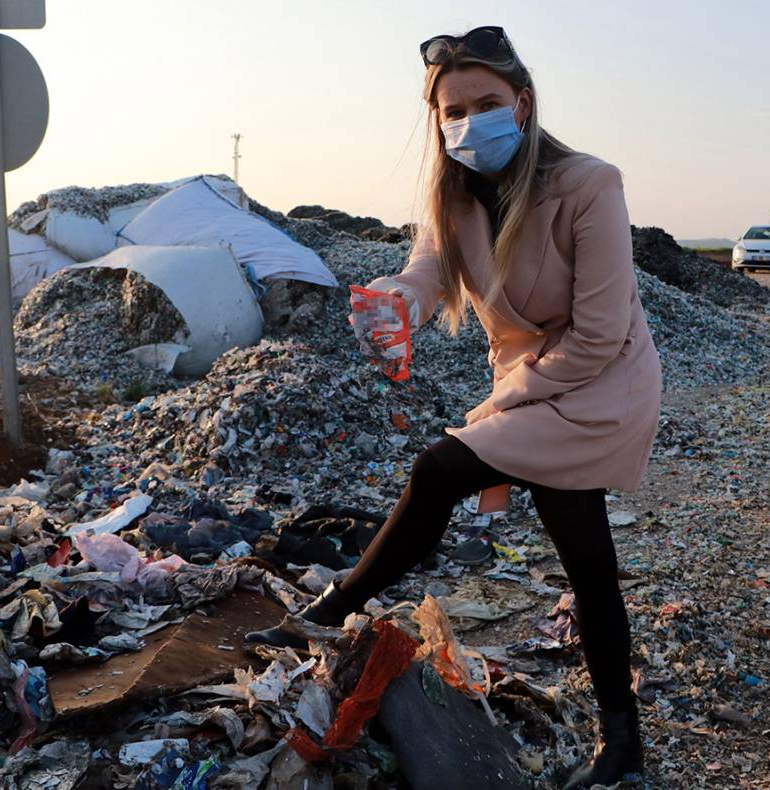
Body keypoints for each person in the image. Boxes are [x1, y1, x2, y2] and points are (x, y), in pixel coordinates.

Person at [247, 25, 663, 787]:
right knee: (580, 552)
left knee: (447, 472)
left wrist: (498, 406)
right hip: (534, 384)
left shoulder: (590, 185)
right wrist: (395, 303)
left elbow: (601, 336)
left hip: (601, 386)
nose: (470, 121)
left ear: (524, 102)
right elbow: (429, 270)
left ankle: (336, 609)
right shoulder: (451, 189)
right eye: (453, 110)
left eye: (488, 103)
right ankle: (622, 739)